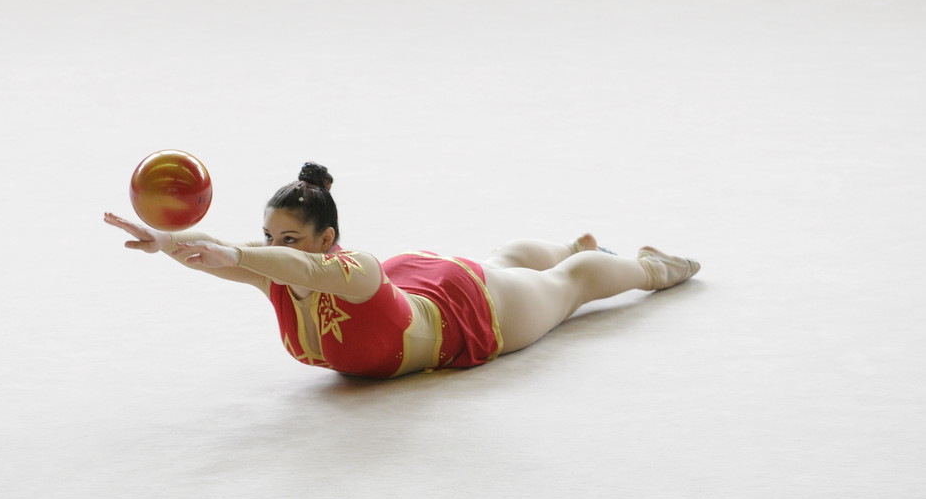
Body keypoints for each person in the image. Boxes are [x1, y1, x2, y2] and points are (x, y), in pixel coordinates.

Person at [103, 162, 700, 378]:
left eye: (290, 239)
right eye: (267, 237)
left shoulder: (354, 270)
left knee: (565, 287)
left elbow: (255, 258)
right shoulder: (278, 273)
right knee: (502, 261)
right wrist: (167, 241)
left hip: (466, 311)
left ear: (327, 241)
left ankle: (650, 267)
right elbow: (220, 249)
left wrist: (239, 254)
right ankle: (569, 242)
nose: (273, 248)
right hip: (412, 283)